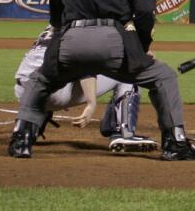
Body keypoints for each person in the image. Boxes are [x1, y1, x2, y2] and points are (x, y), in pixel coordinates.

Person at [7, 0, 195, 161]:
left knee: (39, 80)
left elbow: (56, 22)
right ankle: (175, 143)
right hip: (113, 41)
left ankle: (21, 139)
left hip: (70, 41)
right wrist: (140, 50)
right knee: (163, 77)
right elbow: (145, 13)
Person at [13, 25, 153, 153]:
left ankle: (30, 126)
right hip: (54, 94)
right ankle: (123, 133)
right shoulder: (90, 27)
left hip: (24, 93)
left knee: (57, 72)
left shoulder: (56, 25)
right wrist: (91, 104)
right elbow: (86, 67)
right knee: (132, 73)